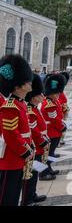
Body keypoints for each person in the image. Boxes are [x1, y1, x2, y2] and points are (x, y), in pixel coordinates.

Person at [0, 55, 34, 206]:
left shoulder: (21, 104)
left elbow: (25, 132)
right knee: (8, 196)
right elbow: (10, 135)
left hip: (20, 155)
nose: (29, 83)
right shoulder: (10, 106)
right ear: (17, 86)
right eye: (26, 81)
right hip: (12, 158)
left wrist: (30, 146)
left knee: (15, 194)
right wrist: (25, 151)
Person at [22, 74, 51, 206]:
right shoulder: (31, 111)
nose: (43, 97)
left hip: (40, 146)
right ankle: (27, 199)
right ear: (33, 97)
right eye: (40, 95)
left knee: (34, 176)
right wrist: (42, 140)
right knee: (30, 176)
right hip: (36, 146)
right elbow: (33, 131)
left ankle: (32, 194)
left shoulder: (34, 109)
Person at [40, 74, 67, 180]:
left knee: (51, 153)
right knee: (47, 154)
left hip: (55, 131)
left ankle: (49, 168)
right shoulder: (49, 104)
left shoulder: (53, 101)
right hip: (52, 132)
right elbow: (55, 120)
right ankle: (43, 173)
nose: (58, 95)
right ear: (50, 93)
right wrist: (62, 127)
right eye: (56, 93)